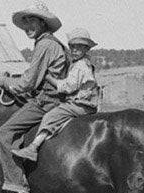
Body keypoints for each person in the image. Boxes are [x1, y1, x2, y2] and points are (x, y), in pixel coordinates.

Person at [0, 1, 69, 193]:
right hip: (52, 97)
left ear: (43, 23)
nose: (28, 26)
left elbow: (28, 82)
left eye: (32, 21)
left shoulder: (44, 45)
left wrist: (4, 82)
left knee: (4, 133)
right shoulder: (51, 43)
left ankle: (17, 189)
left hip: (47, 101)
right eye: (25, 22)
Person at [12, 26, 99, 163]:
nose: (74, 50)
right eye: (72, 46)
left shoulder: (80, 66)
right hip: (88, 103)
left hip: (79, 104)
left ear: (86, 49)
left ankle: (33, 147)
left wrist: (49, 78)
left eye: (79, 47)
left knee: (51, 116)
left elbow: (67, 87)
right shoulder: (85, 63)